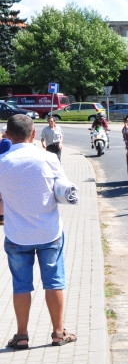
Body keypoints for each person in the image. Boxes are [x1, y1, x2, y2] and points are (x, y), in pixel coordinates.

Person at [0, 115, 76, 349]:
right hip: (49, 233)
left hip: (16, 235)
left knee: (20, 285)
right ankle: (57, 333)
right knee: (54, 281)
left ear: (7, 136)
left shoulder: (2, 161)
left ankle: (22, 336)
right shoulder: (49, 158)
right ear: (34, 134)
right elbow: (63, 190)